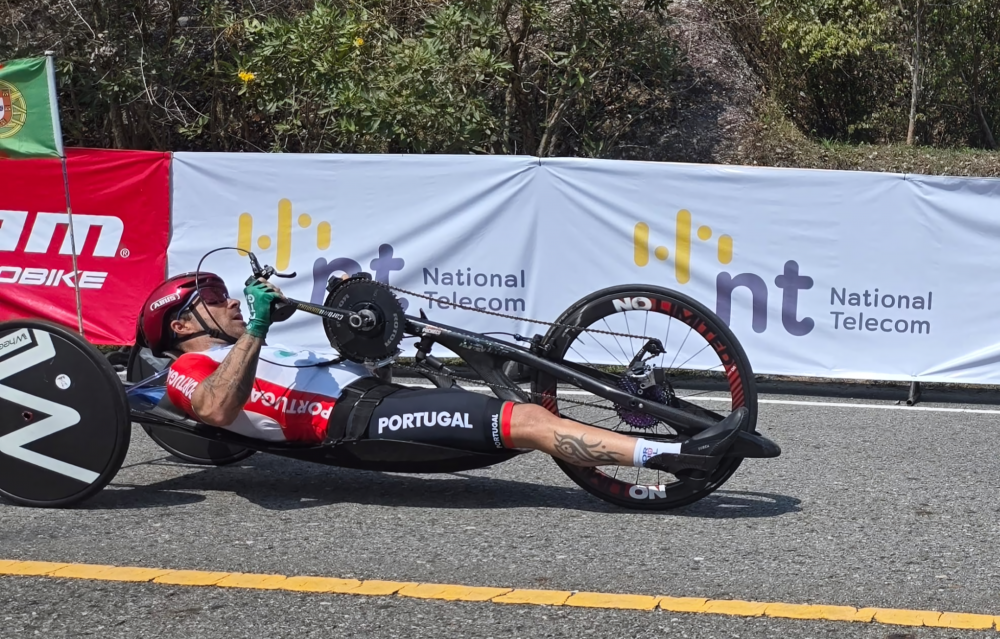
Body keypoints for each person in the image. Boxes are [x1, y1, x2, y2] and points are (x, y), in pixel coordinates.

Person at [138, 273, 747, 476]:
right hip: (361, 423)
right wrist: (258, 328)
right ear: (183, 323)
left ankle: (650, 419)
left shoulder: (243, 347)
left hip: (376, 392)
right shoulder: (190, 370)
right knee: (531, 421)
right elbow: (218, 411)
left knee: (508, 364)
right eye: (212, 298)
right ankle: (667, 458)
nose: (228, 303)